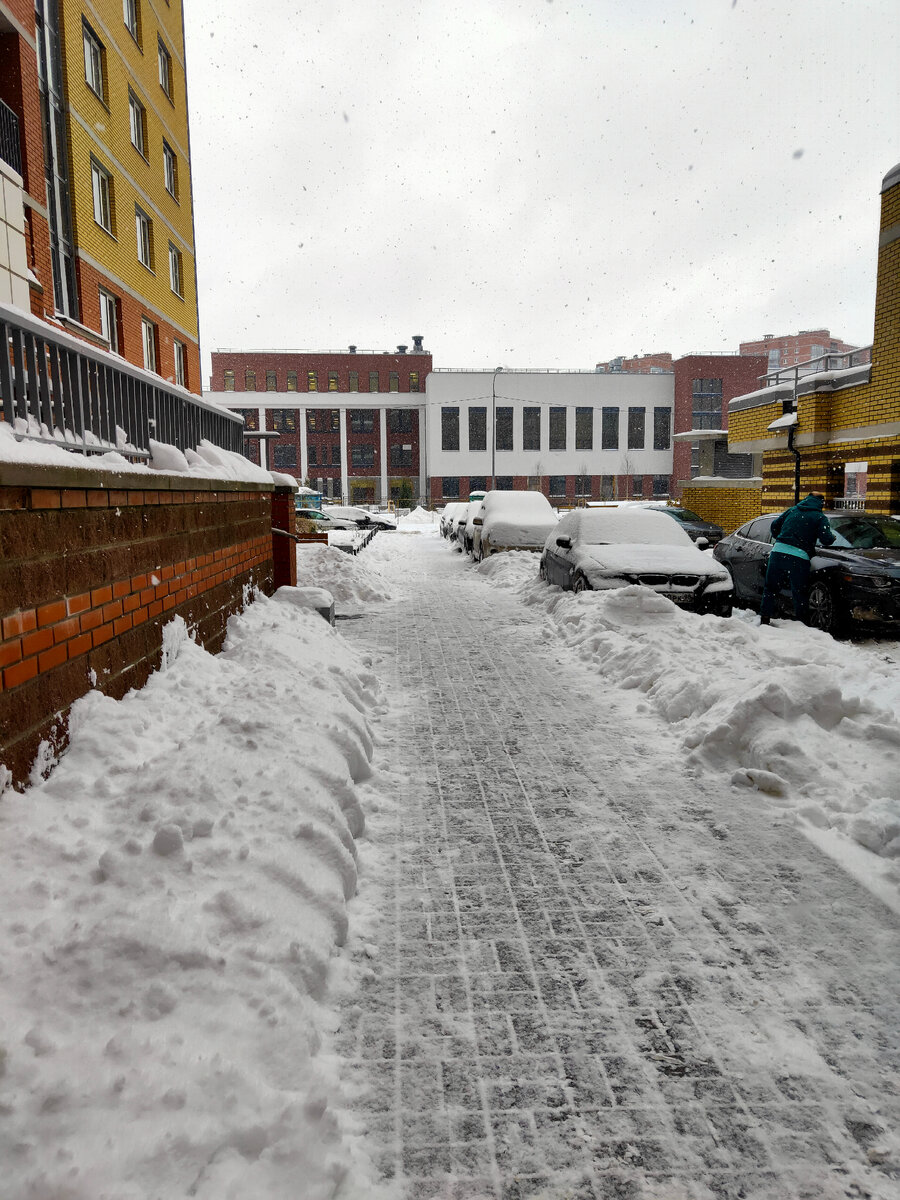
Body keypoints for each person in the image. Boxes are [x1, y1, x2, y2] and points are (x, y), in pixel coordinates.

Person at [759, 492, 835, 625]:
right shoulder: (819, 517)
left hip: (778, 553)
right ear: (821, 503)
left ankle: (765, 618)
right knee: (799, 592)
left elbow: (774, 526)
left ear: (807, 498)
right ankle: (802, 623)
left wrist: (782, 539)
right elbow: (826, 539)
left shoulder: (792, 510)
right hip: (799, 557)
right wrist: (832, 537)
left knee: (770, 588)